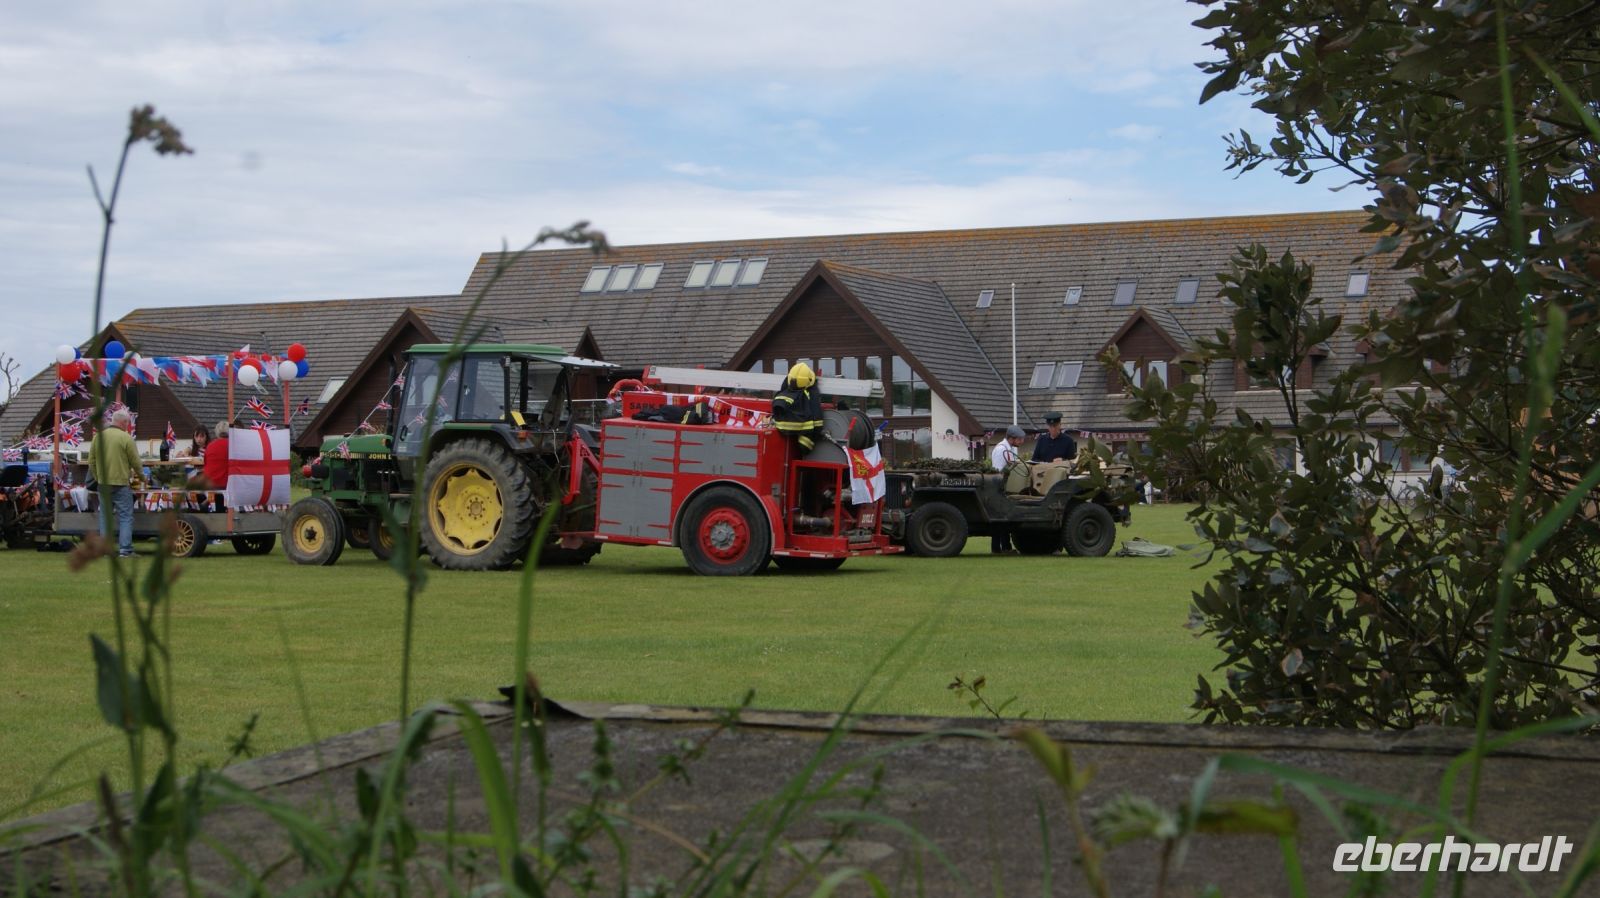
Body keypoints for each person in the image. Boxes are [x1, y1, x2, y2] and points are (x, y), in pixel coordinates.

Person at [89, 409, 141, 558]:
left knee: (105, 517)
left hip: (103, 483)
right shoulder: (126, 438)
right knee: (125, 516)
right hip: (120, 483)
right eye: (127, 423)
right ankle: (125, 550)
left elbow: (91, 461)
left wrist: (98, 477)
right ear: (123, 422)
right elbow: (136, 462)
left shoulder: (97, 437)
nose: (128, 426)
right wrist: (142, 478)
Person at [988, 426, 1025, 554]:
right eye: (1019, 439)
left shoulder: (1006, 448)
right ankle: (1002, 548)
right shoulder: (1002, 450)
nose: (1021, 442)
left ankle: (1001, 548)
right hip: (999, 487)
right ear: (1011, 438)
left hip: (1000, 487)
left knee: (1001, 520)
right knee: (1001, 519)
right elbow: (999, 471)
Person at [771, 362, 824, 451]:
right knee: (805, 444)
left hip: (780, 427)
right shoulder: (811, 392)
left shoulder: (784, 389)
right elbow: (817, 420)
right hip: (801, 429)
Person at [202, 421, 231, 511]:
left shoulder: (210, 446)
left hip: (210, 485)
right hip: (227, 486)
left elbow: (206, 464)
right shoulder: (234, 445)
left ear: (217, 433)